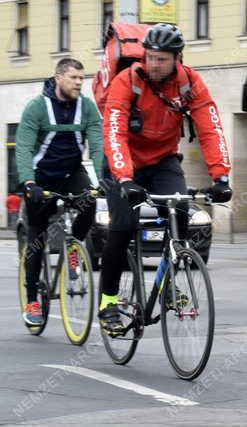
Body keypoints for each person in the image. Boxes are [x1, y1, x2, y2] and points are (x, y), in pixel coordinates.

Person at [98, 23, 232, 335]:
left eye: (162, 59)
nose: (154, 65)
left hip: (162, 161)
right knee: (121, 227)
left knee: (180, 211)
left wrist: (221, 176)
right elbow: (114, 132)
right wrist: (125, 178)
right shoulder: (126, 81)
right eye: (150, 57)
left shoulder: (191, 83)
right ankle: (108, 302)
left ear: (177, 59)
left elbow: (210, 128)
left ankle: (169, 283)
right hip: (124, 163)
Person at [15, 58, 103, 326]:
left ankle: (73, 249)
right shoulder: (37, 108)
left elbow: (97, 146)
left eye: (81, 78)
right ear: (58, 78)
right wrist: (28, 183)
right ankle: (32, 301)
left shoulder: (87, 108)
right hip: (41, 179)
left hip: (71, 173)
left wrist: (104, 181)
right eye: (74, 78)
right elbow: (24, 147)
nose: (79, 83)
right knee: (37, 238)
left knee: (90, 202)